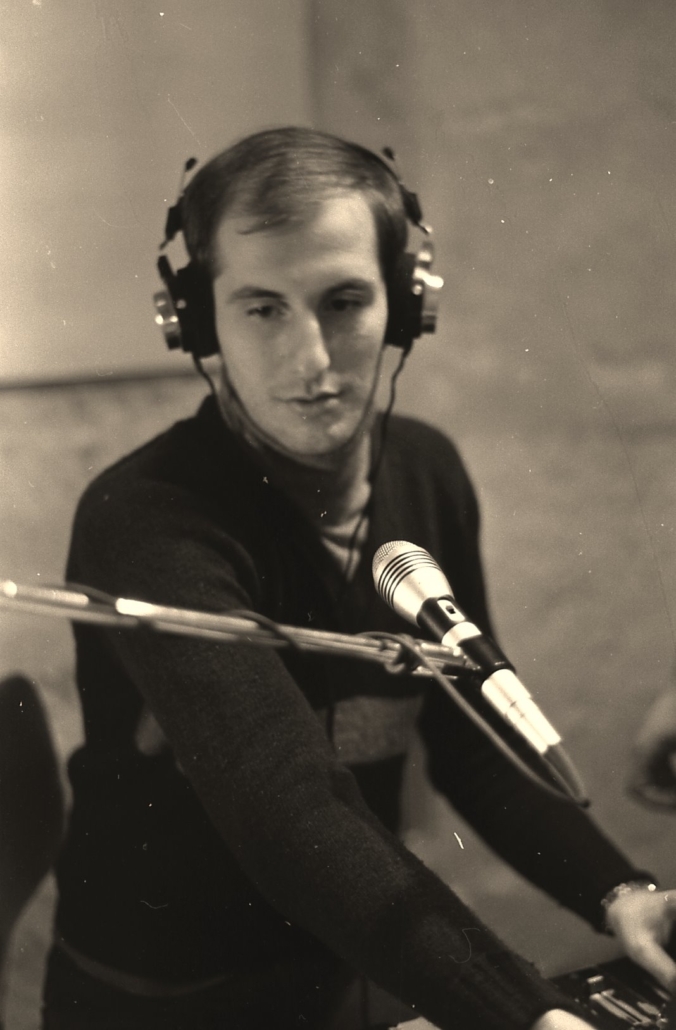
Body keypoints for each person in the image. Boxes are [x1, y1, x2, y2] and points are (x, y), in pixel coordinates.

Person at [43, 127, 676, 1030]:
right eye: (263, 309)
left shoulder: (425, 470)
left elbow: (468, 740)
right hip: (163, 1003)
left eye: (344, 301)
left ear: (406, 304)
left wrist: (620, 892)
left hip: (346, 972)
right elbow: (291, 812)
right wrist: (522, 1012)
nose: (312, 360)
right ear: (197, 320)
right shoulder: (146, 518)